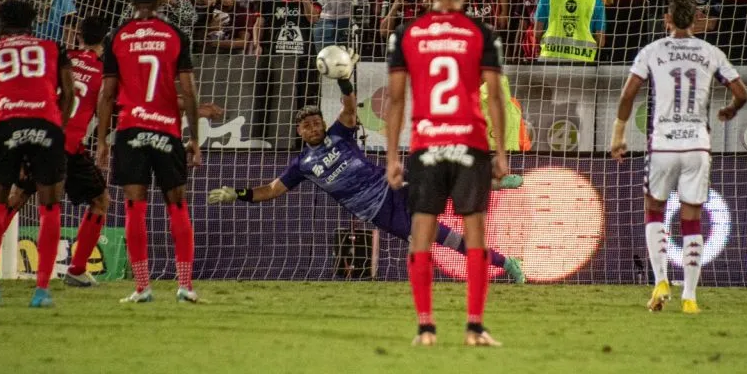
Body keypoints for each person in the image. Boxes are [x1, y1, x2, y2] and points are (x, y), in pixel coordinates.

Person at [206, 98, 525, 283]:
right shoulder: (302, 165)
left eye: (317, 122)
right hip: (380, 212)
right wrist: (238, 194)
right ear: (299, 131)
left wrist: (344, 80)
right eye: (307, 125)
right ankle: (506, 262)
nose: (314, 128)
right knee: (447, 238)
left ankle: (494, 183)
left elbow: (347, 108)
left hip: (392, 187)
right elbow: (272, 190)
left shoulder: (339, 135)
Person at [385, 0, 511, 347]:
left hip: (427, 145)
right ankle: (474, 327)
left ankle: (425, 328)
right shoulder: (481, 32)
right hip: (470, 144)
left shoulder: (407, 33)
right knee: (476, 237)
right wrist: (500, 152)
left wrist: (392, 157)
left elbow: (395, 98)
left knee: (421, 234)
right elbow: (495, 100)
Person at [610, 0, 747, 314]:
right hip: (697, 144)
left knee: (654, 210)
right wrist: (730, 110)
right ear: (698, 19)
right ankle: (689, 296)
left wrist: (618, 135)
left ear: (667, 19)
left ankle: (660, 280)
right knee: (692, 219)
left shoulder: (652, 51)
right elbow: (742, 92)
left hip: (663, 143)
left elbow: (628, 94)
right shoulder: (711, 52)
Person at [0, 16, 113, 289]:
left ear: (78, 36)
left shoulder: (56, 57)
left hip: (37, 134)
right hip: (68, 144)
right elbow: (108, 104)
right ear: (104, 42)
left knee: (17, 197)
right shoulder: (103, 71)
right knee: (100, 201)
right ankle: (76, 269)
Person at [96, 0, 203, 304]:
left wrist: (101, 140)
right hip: (166, 129)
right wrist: (195, 138)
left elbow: (107, 94)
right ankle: (185, 285)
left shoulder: (117, 36)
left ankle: (143, 287)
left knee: (134, 209)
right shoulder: (174, 34)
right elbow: (188, 90)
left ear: (131, 0)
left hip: (130, 129)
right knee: (178, 206)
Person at [0, 0, 74, 307]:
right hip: (45, 121)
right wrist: (58, 128)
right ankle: (42, 290)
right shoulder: (53, 48)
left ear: (1, 25)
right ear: (32, 24)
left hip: (5, 123)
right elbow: (68, 93)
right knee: (49, 206)